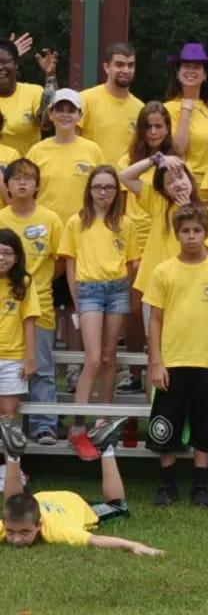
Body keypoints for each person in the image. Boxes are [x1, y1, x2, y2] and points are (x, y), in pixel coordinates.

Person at [144, 203, 208, 507]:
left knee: (204, 424)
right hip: (172, 362)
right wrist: (156, 362)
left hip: (206, 361)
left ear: (207, 233)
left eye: (197, 230)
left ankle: (200, 484)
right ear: (177, 234)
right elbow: (155, 319)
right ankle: (167, 483)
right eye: (186, 231)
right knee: (166, 424)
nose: (192, 236)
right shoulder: (163, 271)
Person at [59, 165, 139, 461]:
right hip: (88, 289)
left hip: (117, 290)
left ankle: (102, 422)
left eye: (109, 187)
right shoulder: (76, 222)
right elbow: (70, 263)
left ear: (117, 192)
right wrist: (78, 300)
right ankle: (78, 425)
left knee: (109, 358)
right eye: (98, 187)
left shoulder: (125, 224)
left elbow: (131, 262)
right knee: (92, 358)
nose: (103, 193)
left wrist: (125, 292)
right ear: (89, 190)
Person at [1, 430, 162, 555]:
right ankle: (14, 456)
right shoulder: (9, 522)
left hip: (75, 503)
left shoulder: (59, 531)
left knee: (119, 507)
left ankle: (107, 447)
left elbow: (96, 540)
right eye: (10, 532)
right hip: (40, 500)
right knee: (15, 501)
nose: (16, 540)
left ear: (39, 525)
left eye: (24, 532)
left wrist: (134, 545)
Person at [115, 102, 178, 394]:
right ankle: (137, 373)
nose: (153, 131)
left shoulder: (178, 161)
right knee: (138, 313)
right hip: (134, 240)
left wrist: (169, 162)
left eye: (159, 126)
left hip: (166, 241)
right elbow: (123, 197)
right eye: (148, 126)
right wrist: (154, 160)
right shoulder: (128, 158)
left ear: (167, 128)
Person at [0, 159, 63, 443]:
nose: (22, 183)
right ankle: (10, 432)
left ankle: (44, 426)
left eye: (28, 178)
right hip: (5, 311)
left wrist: (36, 284)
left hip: (41, 307)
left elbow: (59, 261)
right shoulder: (1, 219)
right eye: (16, 178)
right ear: (7, 185)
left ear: (37, 185)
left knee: (41, 369)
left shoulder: (50, 219)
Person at [118, 154, 208, 312]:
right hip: (155, 284)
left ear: (190, 179)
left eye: (180, 177)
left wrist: (189, 212)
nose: (177, 184)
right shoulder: (158, 202)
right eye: (170, 182)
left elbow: (205, 253)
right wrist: (155, 159)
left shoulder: (207, 214)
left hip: (189, 285)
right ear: (164, 190)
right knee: (154, 334)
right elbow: (125, 176)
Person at [25, 89, 105, 224]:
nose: (65, 115)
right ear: (50, 114)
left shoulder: (93, 150)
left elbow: (104, 190)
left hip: (82, 225)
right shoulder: (36, 151)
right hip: (45, 227)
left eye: (71, 111)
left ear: (80, 115)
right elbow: (25, 192)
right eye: (60, 110)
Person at [163, 42, 208, 189]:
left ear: (205, 75)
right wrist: (186, 110)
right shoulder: (168, 109)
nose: (191, 71)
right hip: (191, 187)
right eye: (186, 66)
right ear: (178, 73)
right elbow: (178, 150)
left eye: (197, 67)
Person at [0, 229, 40, 453]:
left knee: (9, 415)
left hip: (12, 358)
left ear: (16, 257)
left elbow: (29, 320)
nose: (2, 258)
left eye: (7, 253)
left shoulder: (24, 282)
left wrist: (30, 358)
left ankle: (11, 466)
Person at [78, 43, 144, 165]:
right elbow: (70, 142)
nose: (126, 70)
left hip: (125, 181)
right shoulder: (85, 99)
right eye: (119, 65)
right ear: (106, 67)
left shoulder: (140, 108)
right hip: (92, 180)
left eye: (130, 65)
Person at [0, 39, 58, 155]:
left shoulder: (33, 92)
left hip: (25, 170)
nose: (0, 67)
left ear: (16, 65)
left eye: (5, 61)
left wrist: (50, 76)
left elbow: (48, 121)